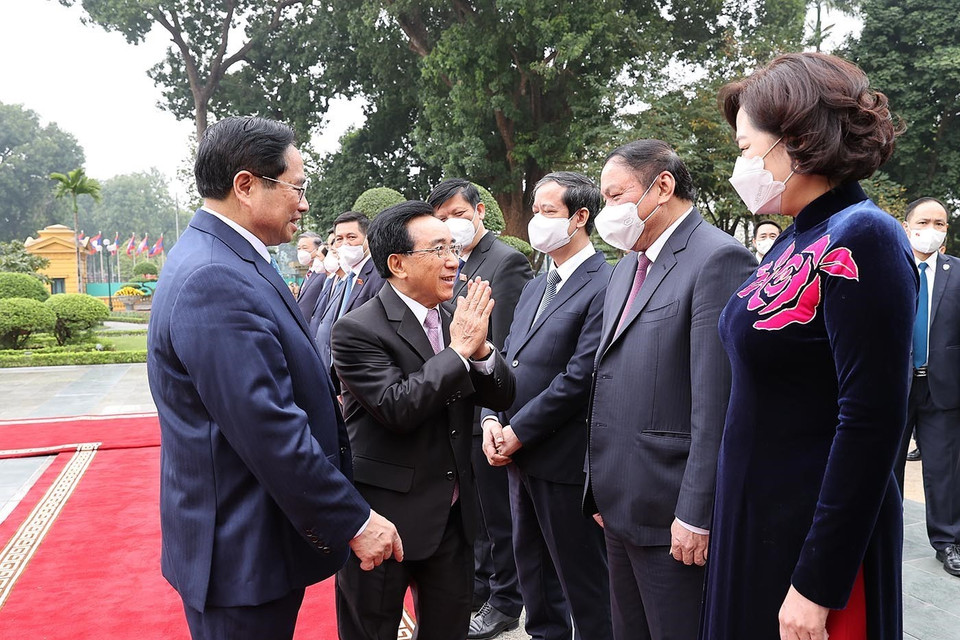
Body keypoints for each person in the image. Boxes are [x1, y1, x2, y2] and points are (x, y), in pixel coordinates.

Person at [147, 115, 402, 639]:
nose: (304, 205)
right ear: (246, 185)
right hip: (240, 550)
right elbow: (268, 428)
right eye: (296, 187)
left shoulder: (228, 257)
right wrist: (353, 520)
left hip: (254, 539)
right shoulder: (214, 277)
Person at [700, 52, 916, 640]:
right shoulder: (795, 236)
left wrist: (818, 582)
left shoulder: (864, 235)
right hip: (756, 514)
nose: (741, 163)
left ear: (796, 140)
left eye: (746, 147)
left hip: (810, 534)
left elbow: (872, 420)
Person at [584, 139, 756, 640]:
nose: (608, 211)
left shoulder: (718, 259)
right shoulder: (626, 267)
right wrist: (598, 487)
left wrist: (696, 513)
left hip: (671, 513)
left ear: (662, 186)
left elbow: (717, 403)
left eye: (616, 196)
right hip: (618, 502)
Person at [331, 200, 516, 640]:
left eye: (453, 248)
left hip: (452, 516)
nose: (453, 260)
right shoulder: (357, 329)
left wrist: (482, 352)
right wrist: (459, 351)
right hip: (385, 521)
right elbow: (397, 407)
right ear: (397, 264)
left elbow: (502, 394)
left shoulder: (455, 318)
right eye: (438, 250)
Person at [481, 171, 613, 640]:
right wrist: (491, 417)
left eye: (548, 211)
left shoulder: (606, 283)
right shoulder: (537, 284)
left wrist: (519, 432)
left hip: (564, 459)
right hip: (518, 456)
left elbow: (580, 376)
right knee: (533, 574)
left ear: (579, 217)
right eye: (536, 210)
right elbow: (507, 357)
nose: (537, 220)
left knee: (584, 583)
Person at [427, 178, 532, 638]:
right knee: (474, 516)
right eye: (442, 217)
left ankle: (506, 601)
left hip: (486, 412)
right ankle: (479, 590)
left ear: (479, 211)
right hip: (455, 410)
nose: (451, 224)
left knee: (497, 518)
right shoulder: (450, 263)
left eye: (458, 213)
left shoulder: (505, 261)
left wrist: (497, 416)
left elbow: (507, 345)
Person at [893, 197, 960, 578]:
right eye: (923, 222)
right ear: (906, 227)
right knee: (887, 466)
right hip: (893, 387)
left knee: (944, 469)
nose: (931, 230)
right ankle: (884, 534)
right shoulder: (887, 270)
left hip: (943, 388)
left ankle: (948, 541)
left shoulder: (957, 273)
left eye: (940, 223)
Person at [313, 211, 384, 374]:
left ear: (367, 239)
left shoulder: (378, 275)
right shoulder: (349, 277)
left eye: (351, 237)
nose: (345, 244)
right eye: (339, 239)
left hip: (363, 372)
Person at [296, 231, 327, 322]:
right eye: (299, 248)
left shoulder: (324, 273)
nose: (301, 251)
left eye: (305, 248)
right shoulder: (309, 274)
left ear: (317, 249)